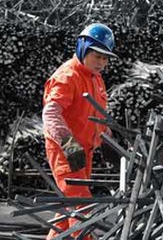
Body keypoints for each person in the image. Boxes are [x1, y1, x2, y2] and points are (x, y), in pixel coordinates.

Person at [42, 23, 117, 239]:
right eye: (97, 56)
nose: (102, 63)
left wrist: (108, 141)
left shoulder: (96, 79)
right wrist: (69, 146)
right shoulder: (67, 77)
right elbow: (51, 115)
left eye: (106, 58)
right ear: (83, 48)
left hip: (85, 151)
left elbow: (97, 116)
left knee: (68, 209)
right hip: (66, 152)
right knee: (81, 208)